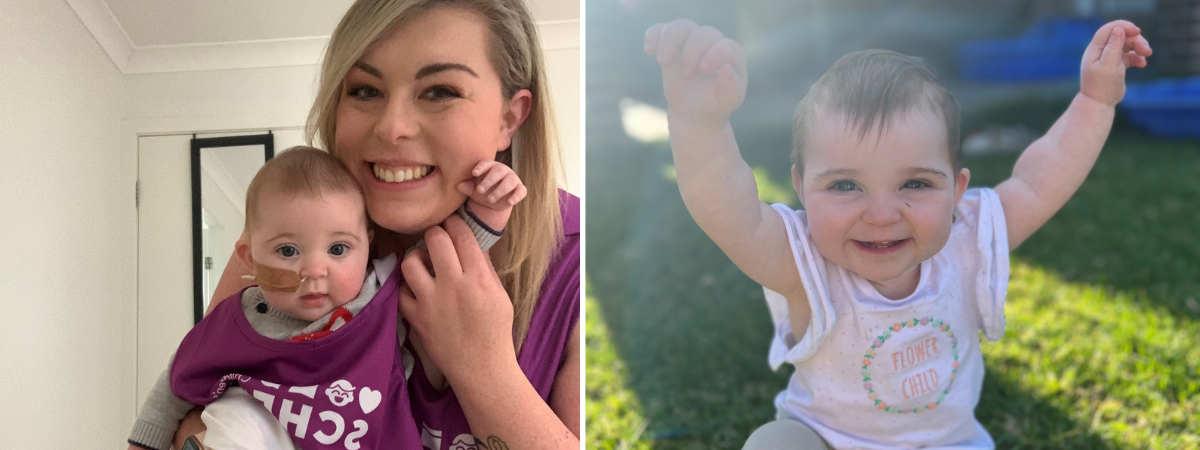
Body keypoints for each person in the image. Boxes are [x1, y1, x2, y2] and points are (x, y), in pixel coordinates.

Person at [645, 18, 1150, 449]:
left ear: (957, 191)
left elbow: (1043, 176)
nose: (881, 213)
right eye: (845, 185)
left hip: (948, 443)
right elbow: (725, 206)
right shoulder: (800, 265)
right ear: (801, 187)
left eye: (915, 183)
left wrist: (1095, 99)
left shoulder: (970, 237)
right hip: (827, 440)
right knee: (774, 444)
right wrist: (699, 122)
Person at [170, 1, 581, 449]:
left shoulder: (598, 261)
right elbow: (194, 401)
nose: (392, 128)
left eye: (441, 91)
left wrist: (484, 369)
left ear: (510, 118)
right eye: (365, 90)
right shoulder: (291, 244)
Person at [126, 147, 524, 450]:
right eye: (287, 251)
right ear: (249, 257)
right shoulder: (239, 319)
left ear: (366, 248)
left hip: (372, 438)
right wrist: (144, 443)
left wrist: (490, 208)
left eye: (338, 250)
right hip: (270, 432)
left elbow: (443, 261)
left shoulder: (377, 297)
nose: (314, 271)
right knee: (236, 414)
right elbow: (176, 383)